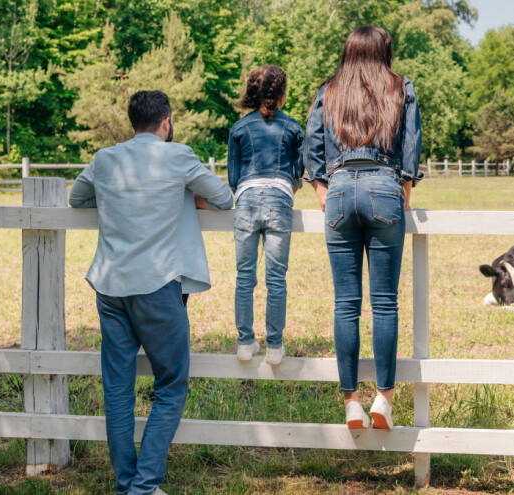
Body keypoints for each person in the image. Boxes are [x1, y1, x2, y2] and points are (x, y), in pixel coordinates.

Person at [69, 90, 233, 495]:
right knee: (172, 384)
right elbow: (224, 198)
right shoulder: (177, 156)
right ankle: (143, 486)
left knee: (118, 391)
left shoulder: (106, 159)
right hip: (157, 286)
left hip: (110, 286)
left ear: (132, 122)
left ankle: (127, 484)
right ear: (166, 121)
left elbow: (76, 198)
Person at [304, 25, 423, 430]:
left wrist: (321, 184)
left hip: (339, 191)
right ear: (384, 51)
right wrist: (405, 187)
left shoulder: (330, 89)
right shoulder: (400, 86)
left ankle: (351, 401)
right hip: (384, 187)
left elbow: (312, 142)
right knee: (384, 302)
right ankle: (384, 398)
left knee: (346, 304)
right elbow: (410, 143)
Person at [227, 65, 304, 365]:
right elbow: (299, 170)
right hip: (279, 201)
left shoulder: (239, 128)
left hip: (246, 201)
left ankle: (245, 342)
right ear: (281, 95)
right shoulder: (294, 128)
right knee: (276, 278)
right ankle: (274, 346)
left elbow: (234, 176)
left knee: (245, 276)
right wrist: (288, 187)